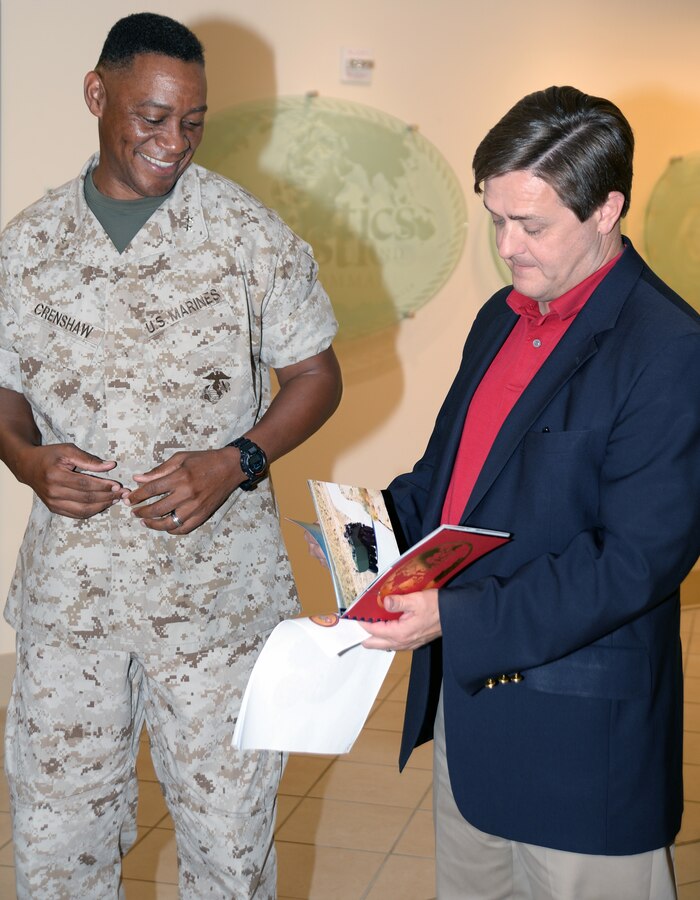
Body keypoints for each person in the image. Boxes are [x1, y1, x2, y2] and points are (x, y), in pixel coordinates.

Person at [0, 12, 341, 899]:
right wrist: (26, 461)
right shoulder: (27, 246)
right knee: (57, 846)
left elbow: (316, 375)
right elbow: (2, 388)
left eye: (192, 121)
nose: (174, 142)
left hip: (217, 603)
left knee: (229, 850)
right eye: (152, 117)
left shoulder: (245, 234)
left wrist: (238, 461)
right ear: (97, 95)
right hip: (72, 605)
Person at [361, 86, 700, 899]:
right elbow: (449, 479)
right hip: (471, 721)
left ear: (606, 209)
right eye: (495, 219)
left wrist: (456, 617)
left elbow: (635, 563)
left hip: (583, 745)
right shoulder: (501, 316)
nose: (507, 247)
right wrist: (369, 531)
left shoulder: (669, 347)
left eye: (531, 225)